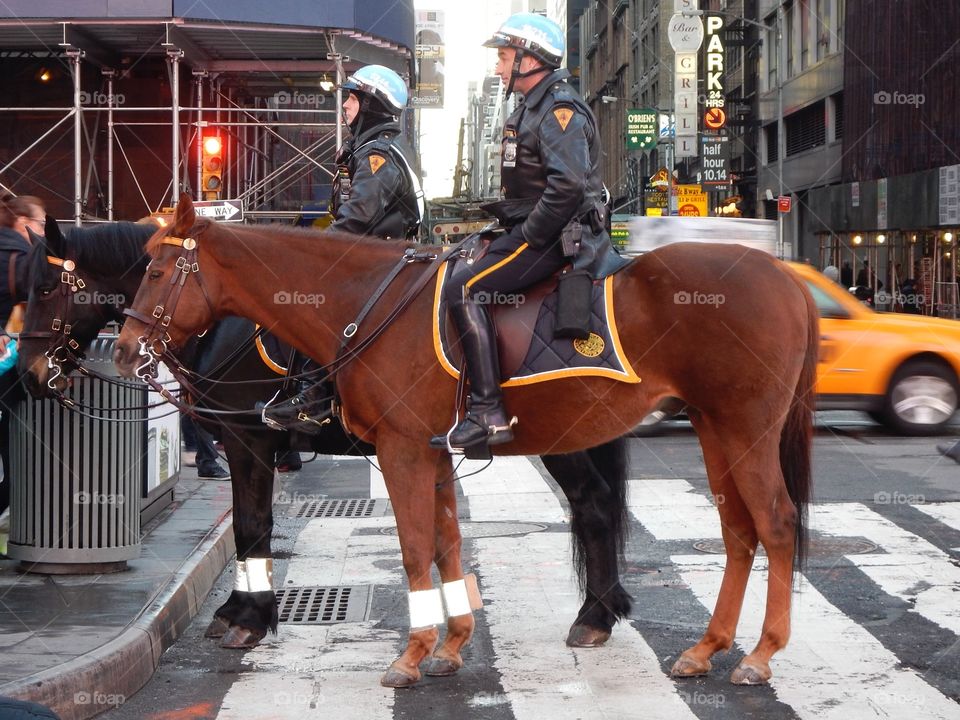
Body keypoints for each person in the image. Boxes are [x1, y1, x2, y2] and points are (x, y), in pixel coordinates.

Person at [428, 13, 626, 451]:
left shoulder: (558, 110)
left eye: (503, 57)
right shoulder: (532, 107)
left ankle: (488, 411)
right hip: (540, 229)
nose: (498, 67)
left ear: (529, 58)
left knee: (464, 289)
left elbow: (568, 184)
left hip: (557, 237)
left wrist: (531, 235)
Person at [262, 64, 423, 431]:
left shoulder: (377, 155)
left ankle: (313, 398)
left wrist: (309, 250)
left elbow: (357, 218)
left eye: (352, 98)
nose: (346, 106)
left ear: (371, 105)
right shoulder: (370, 149)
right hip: (377, 257)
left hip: (379, 263)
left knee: (312, 302)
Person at [0, 193, 44, 527]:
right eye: (42, 223)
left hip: (9, 372)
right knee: (15, 470)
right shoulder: (20, 255)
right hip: (8, 374)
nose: (45, 231)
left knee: (14, 470)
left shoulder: (17, 253)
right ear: (23, 223)